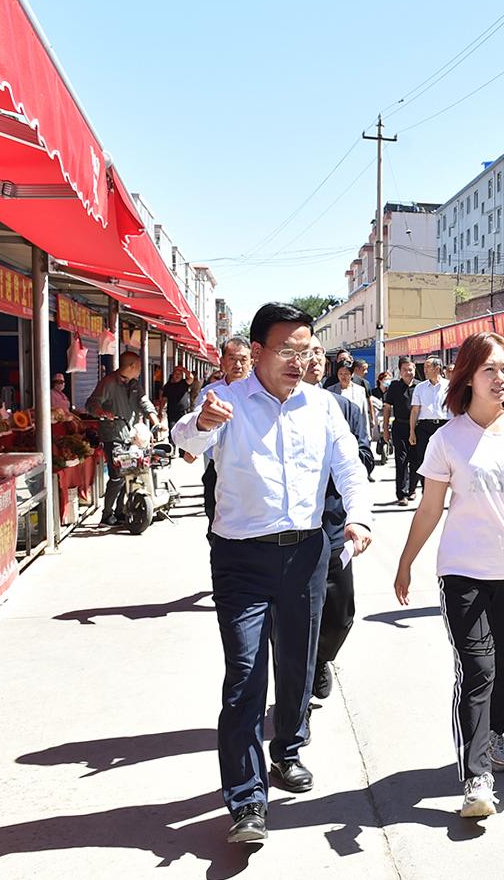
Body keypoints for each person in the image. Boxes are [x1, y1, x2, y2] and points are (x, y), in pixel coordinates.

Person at [172, 303, 373, 845]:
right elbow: (186, 442)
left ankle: (288, 750)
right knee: (244, 674)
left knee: (297, 664)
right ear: (257, 351)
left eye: (305, 351)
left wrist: (359, 518)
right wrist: (200, 422)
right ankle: (246, 801)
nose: (298, 361)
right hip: (241, 557)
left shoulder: (322, 405)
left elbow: (348, 466)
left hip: (306, 553)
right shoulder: (226, 401)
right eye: (286, 350)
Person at [393, 331, 504, 818]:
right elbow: (430, 508)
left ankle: (495, 734)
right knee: (477, 670)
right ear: (467, 376)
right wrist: (406, 562)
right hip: (462, 571)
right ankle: (476, 778)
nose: (500, 378)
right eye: (489, 369)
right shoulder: (447, 438)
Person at [303, 345, 375, 704]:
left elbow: (364, 454)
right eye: (306, 352)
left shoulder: (344, 407)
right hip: (292, 527)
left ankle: (320, 658)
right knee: (294, 619)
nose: (314, 359)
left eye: (319, 352)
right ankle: (297, 700)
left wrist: (337, 467)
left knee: (341, 612)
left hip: (333, 520)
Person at [86, 351, 160, 527]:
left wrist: (156, 422)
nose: (141, 369)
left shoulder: (134, 384)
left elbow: (144, 402)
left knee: (130, 472)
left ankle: (121, 512)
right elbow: (92, 403)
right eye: (139, 366)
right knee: (117, 475)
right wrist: (102, 412)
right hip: (113, 435)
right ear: (132, 366)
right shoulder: (109, 383)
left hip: (130, 436)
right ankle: (106, 515)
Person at [196, 338, 252, 527]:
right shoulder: (210, 393)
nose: (238, 365)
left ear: (252, 361)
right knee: (216, 521)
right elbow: (194, 428)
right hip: (217, 468)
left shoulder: (262, 392)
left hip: (251, 467)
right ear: (222, 361)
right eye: (232, 359)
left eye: (243, 359)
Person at [408, 356, 451, 497]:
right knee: (424, 459)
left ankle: (444, 491)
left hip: (445, 426)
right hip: (425, 427)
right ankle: (427, 491)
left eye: (428, 367)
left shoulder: (450, 386)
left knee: (445, 460)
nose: (424, 370)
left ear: (437, 368)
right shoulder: (420, 388)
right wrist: (412, 431)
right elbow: (415, 410)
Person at [383, 357, 418, 505]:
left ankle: (412, 489)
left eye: (410, 369)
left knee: (416, 460)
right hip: (400, 426)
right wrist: (385, 429)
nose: (408, 372)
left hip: (417, 428)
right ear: (400, 371)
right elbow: (387, 408)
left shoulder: (420, 386)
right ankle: (402, 493)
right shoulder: (394, 386)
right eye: (405, 370)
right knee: (401, 460)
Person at [371, 372, 392, 465]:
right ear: (380, 380)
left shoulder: (391, 391)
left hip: (389, 415)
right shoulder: (374, 392)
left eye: (389, 379)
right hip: (378, 415)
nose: (388, 381)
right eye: (386, 379)